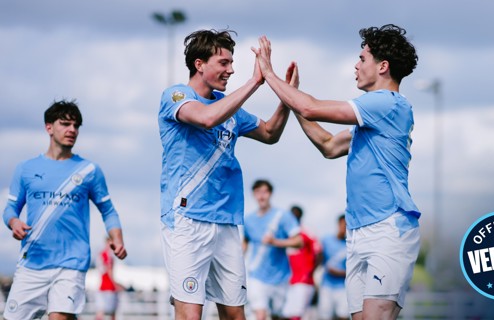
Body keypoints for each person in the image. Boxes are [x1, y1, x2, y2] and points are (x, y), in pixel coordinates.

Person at [254, 24, 421, 320]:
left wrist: (268, 73)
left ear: (383, 66)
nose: (356, 66)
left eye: (362, 58)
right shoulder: (370, 120)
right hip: (359, 234)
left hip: (388, 231)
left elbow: (311, 107)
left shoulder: (387, 104)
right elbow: (329, 145)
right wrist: (292, 98)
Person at [158, 29, 296, 320]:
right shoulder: (176, 95)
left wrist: (286, 98)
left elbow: (270, 133)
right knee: (190, 314)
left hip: (227, 223)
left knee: (235, 314)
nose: (231, 69)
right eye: (223, 62)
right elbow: (206, 118)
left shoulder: (231, 109)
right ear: (199, 64)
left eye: (232, 62)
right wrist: (255, 82)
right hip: (188, 220)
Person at [2, 100, 127, 320]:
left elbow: (108, 210)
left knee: (60, 316)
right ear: (48, 127)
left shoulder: (89, 170)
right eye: (65, 124)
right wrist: (14, 222)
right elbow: (10, 209)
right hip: (33, 262)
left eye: (76, 125)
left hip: (71, 263)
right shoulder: (26, 168)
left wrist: (117, 238)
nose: (72, 130)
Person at [243, 180, 303, 320]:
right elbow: (245, 241)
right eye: (258, 192)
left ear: (270, 194)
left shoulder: (283, 215)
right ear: (253, 195)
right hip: (256, 275)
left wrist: (275, 242)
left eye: (264, 192)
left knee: (277, 315)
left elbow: (299, 241)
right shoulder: (248, 220)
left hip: (280, 276)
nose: (261, 196)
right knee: (260, 314)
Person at [281, 205, 321, 320]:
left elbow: (319, 253)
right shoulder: (286, 235)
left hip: (303, 280)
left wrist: (310, 272)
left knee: (297, 314)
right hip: (288, 280)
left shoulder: (306, 233)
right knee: (287, 313)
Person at [318, 215, 348, 320]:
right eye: (343, 224)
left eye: (347, 225)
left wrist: (339, 273)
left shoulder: (350, 244)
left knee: (343, 315)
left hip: (343, 287)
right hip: (326, 285)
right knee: (325, 316)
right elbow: (319, 261)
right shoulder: (326, 240)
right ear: (338, 224)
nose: (345, 227)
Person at [95, 237, 121, 320]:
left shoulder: (101, 254)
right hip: (108, 287)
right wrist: (115, 284)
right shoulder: (108, 255)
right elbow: (109, 270)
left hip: (102, 286)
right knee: (112, 313)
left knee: (100, 312)